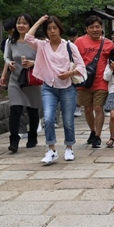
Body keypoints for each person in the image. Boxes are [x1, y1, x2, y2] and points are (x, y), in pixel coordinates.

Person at [25, 15, 86, 165]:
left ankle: (69, 147)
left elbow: (81, 66)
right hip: (49, 87)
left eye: (55, 28)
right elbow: (28, 38)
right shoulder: (42, 45)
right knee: (48, 118)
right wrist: (39, 21)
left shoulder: (69, 46)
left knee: (68, 121)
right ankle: (51, 149)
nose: (52, 31)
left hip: (67, 88)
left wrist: (69, 74)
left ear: (60, 29)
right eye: (49, 29)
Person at [0, 13, 42, 153]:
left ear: (30, 25)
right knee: (15, 109)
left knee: (32, 110)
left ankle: (33, 136)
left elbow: (44, 60)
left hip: (32, 80)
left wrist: (33, 63)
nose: (21, 26)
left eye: (24, 23)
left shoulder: (36, 42)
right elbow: (7, 57)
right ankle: (14, 140)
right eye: (19, 23)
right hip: (15, 80)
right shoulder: (10, 41)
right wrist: (8, 66)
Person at [74, 16, 114, 148]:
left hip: (101, 80)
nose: (95, 29)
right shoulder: (79, 42)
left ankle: (97, 136)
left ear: (101, 28)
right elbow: (73, 59)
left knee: (98, 107)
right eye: (91, 27)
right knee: (87, 109)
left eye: (97, 27)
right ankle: (92, 131)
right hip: (84, 80)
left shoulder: (109, 44)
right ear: (86, 29)